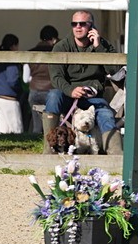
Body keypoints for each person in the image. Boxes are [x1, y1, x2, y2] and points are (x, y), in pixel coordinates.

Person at [45, 11, 122, 155]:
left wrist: (99, 47)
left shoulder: (104, 45)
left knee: (106, 114)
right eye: (74, 24)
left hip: (93, 98)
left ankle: (116, 155)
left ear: (91, 26)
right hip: (68, 96)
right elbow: (56, 77)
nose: (78, 27)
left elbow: (115, 71)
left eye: (82, 23)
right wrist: (71, 90)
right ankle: (50, 149)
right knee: (53, 95)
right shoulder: (61, 47)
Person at [0, 34, 23, 134]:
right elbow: (12, 80)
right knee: (16, 129)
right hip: (8, 98)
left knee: (2, 129)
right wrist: (20, 89)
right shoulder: (11, 60)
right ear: (13, 46)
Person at [25, 25, 59, 135]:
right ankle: (49, 140)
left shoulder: (30, 53)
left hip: (34, 91)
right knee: (51, 123)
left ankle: (35, 140)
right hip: (51, 91)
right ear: (53, 39)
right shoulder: (56, 53)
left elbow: (25, 79)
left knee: (37, 125)